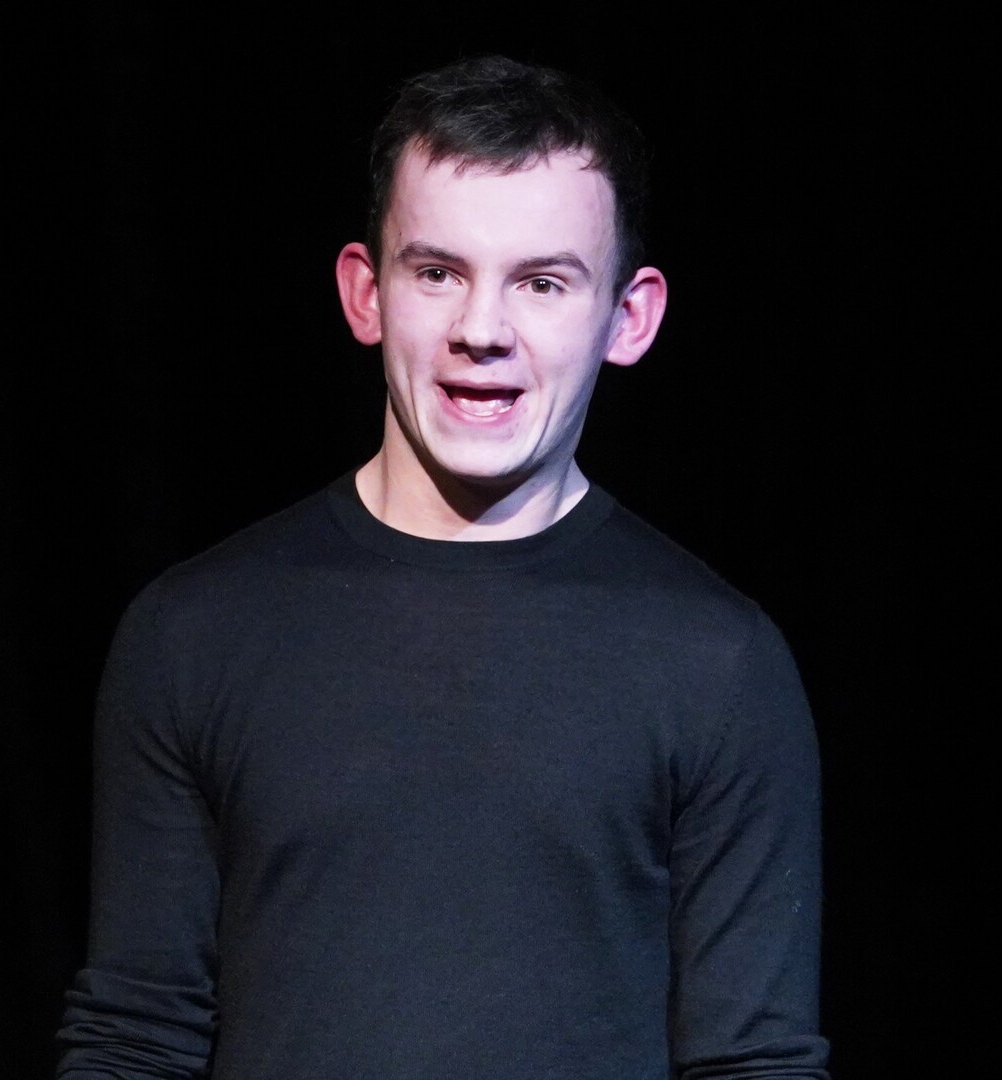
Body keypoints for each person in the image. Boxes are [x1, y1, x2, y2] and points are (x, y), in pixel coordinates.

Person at [56, 54, 829, 1078]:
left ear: (628, 318)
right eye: (437, 273)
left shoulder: (717, 663)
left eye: (542, 283)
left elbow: (754, 1061)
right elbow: (134, 1037)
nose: (480, 332)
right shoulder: (194, 633)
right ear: (365, 293)